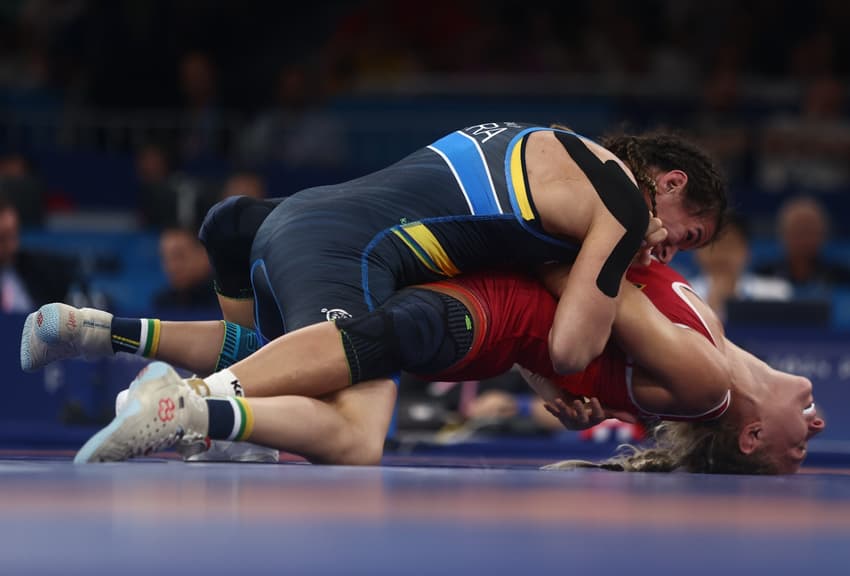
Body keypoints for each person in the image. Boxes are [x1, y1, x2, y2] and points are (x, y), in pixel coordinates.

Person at [23, 259, 823, 474]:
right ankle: (175, 396)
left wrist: (614, 228)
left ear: (748, 436)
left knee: (339, 401)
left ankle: (155, 375)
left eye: (799, 441)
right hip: (452, 301)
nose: (818, 424)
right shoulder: (710, 355)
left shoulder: (701, 377)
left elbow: (580, 283)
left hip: (456, 308)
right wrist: (559, 377)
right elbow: (580, 319)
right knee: (336, 404)